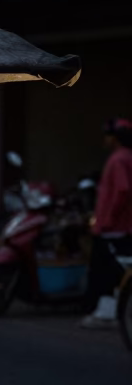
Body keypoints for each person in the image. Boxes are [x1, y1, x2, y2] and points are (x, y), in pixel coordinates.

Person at [80, 116, 132, 329]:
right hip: (120, 226)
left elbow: (122, 190)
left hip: (113, 228)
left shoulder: (118, 160)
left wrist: (108, 220)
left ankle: (106, 313)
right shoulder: (127, 157)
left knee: (105, 272)